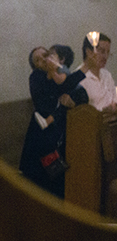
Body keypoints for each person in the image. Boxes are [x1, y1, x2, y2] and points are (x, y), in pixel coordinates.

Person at [19, 46, 87, 198]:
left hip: (61, 137)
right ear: (35, 66)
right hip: (42, 138)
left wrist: (72, 102)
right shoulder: (37, 77)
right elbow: (46, 101)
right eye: (37, 60)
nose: (43, 60)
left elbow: (82, 94)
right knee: (42, 185)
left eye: (45, 55)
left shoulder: (61, 74)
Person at [77, 32, 117, 114]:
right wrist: (103, 111)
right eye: (102, 51)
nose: (105, 57)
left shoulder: (107, 75)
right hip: (92, 124)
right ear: (89, 52)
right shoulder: (78, 79)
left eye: (108, 52)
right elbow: (80, 115)